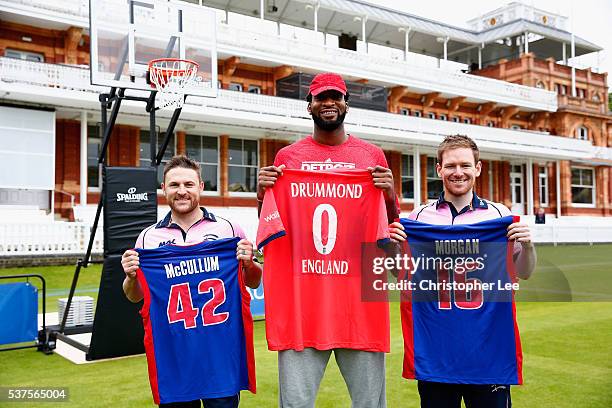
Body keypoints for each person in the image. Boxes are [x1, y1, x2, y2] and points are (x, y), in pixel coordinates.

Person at [257, 72, 403, 408]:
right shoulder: (286, 159)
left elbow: (390, 223)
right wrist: (261, 191)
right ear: (309, 105)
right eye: (321, 97)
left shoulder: (372, 156)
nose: (329, 103)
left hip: (359, 303)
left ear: (346, 104)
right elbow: (271, 225)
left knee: (370, 405)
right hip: (302, 304)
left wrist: (391, 193)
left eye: (335, 97)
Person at [402, 134, 536, 408]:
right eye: (450, 165)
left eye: (465, 165)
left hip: (489, 351)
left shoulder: (499, 216)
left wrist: (528, 245)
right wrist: (394, 248)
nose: (458, 172)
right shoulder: (417, 218)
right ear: (438, 169)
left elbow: (525, 272)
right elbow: (402, 275)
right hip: (437, 352)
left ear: (478, 168)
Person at [121, 155, 262, 408]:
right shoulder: (148, 238)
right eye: (174, 185)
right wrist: (131, 276)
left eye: (189, 184)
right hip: (173, 357)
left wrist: (249, 263)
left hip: (219, 355)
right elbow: (135, 296)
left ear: (201, 187)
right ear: (164, 189)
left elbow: (252, 281)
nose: (182, 191)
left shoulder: (228, 229)